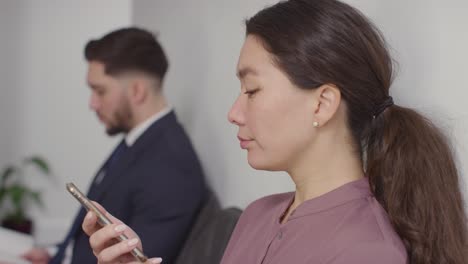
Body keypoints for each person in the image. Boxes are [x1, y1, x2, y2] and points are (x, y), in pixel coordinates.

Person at [81, 1, 467, 263]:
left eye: (252, 90)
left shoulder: (366, 251)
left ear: (322, 104)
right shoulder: (258, 216)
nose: (233, 113)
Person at [23, 27, 207, 264]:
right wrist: (52, 254)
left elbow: (132, 259)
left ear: (137, 91)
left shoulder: (171, 166)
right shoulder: (138, 142)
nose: (92, 103)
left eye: (100, 91)